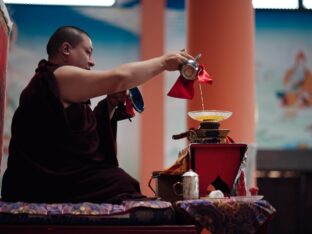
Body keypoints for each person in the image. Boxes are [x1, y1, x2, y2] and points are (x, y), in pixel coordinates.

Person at [1, 26, 192, 203]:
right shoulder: (57, 76)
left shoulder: (63, 86)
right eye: (88, 52)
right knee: (122, 183)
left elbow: (84, 141)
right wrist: (163, 62)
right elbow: (119, 79)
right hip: (39, 182)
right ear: (66, 49)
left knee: (121, 181)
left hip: (53, 176)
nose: (92, 61)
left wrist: (108, 105)